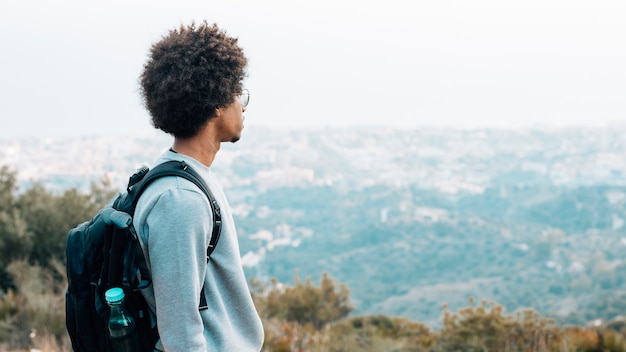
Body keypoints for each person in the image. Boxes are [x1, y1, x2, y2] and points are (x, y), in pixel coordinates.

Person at [134, 21, 264, 351]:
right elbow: (181, 333)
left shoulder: (183, 179)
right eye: (237, 92)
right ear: (217, 101)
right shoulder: (180, 200)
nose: (243, 105)